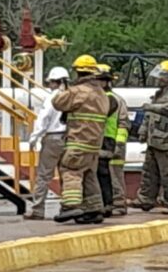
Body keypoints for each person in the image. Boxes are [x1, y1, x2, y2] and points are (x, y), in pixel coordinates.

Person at [51, 54, 109, 224]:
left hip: (78, 141)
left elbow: (58, 103)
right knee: (89, 174)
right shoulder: (101, 93)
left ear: (78, 72)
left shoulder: (78, 91)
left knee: (70, 170)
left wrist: (64, 89)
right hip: (94, 144)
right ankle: (94, 208)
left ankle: (71, 205)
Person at [135, 59, 168, 215]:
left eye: (162, 76)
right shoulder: (160, 94)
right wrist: (144, 130)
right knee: (149, 173)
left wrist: (152, 107)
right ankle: (145, 200)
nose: (159, 79)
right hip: (156, 141)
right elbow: (150, 116)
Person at [24, 66, 70, 220]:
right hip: (69, 138)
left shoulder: (52, 98)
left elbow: (44, 118)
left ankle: (38, 209)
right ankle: (68, 207)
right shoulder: (71, 96)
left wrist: (34, 137)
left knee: (44, 175)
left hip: (52, 138)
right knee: (68, 175)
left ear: (53, 82)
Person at [96, 64, 130, 217]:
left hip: (113, 142)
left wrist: (119, 143)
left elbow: (123, 123)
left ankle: (119, 204)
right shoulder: (98, 99)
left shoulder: (115, 100)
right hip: (101, 141)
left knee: (114, 174)